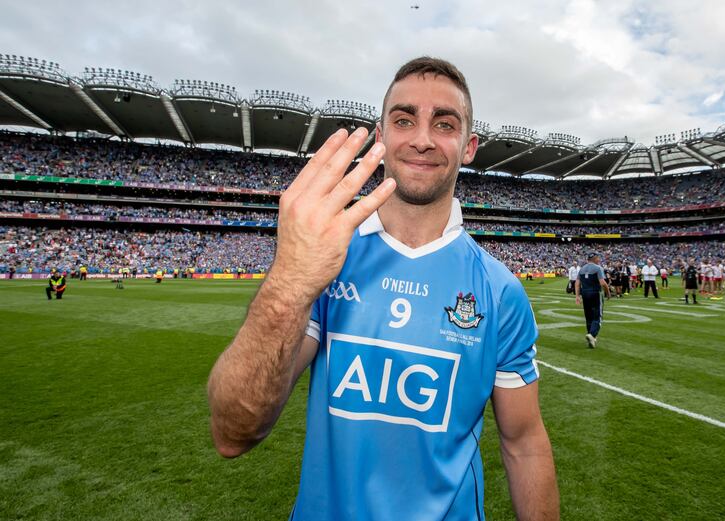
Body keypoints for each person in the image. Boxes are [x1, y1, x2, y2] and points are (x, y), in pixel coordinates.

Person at [207, 57, 559, 521]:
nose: (422, 138)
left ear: (469, 146)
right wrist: (292, 277)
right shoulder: (330, 258)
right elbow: (234, 431)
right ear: (381, 135)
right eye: (404, 119)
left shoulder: (498, 290)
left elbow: (524, 443)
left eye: (445, 123)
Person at [574, 252, 611, 348]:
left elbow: (577, 283)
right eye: (598, 258)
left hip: (585, 293)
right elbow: (602, 283)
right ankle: (592, 334)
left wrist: (577, 296)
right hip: (595, 293)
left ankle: (591, 338)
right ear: (595, 259)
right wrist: (608, 292)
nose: (599, 260)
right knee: (597, 316)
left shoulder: (581, 269)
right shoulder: (598, 268)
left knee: (588, 316)